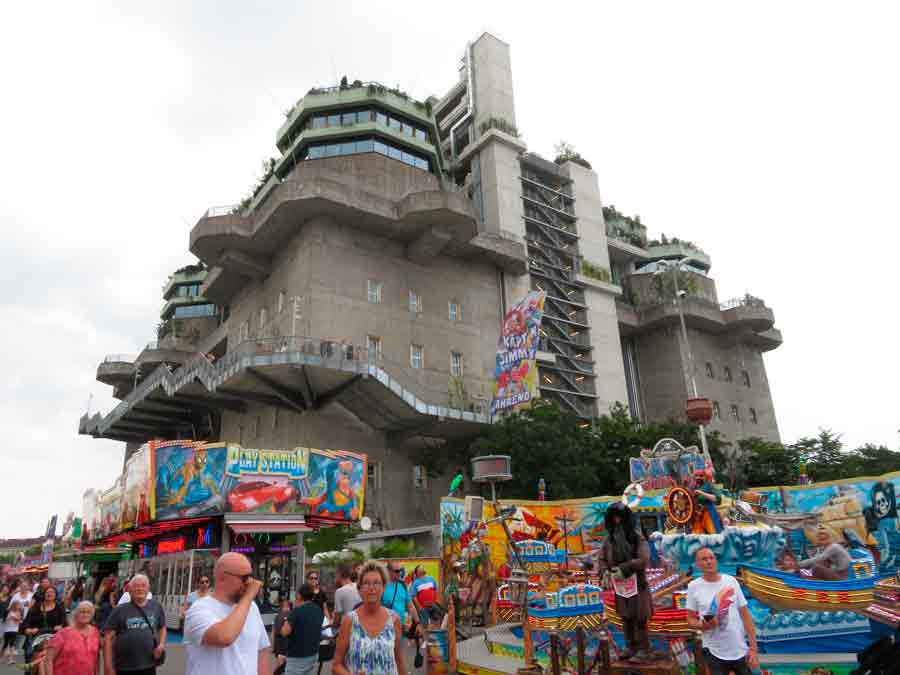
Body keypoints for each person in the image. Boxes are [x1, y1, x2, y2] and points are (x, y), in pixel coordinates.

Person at [183, 551, 271, 675]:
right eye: (245, 578)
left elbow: (262, 651)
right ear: (222, 577)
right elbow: (224, 638)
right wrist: (248, 596)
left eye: (251, 576)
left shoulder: (251, 607)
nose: (250, 583)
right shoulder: (199, 609)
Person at [686, 548, 758, 675]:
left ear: (716, 561)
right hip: (713, 650)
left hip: (739, 648)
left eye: (711, 558)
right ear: (697, 565)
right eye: (704, 559)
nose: (709, 561)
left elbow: (746, 616)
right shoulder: (694, 586)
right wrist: (703, 625)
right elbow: (690, 619)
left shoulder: (731, 581)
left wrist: (753, 649)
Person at [333, 561, 405, 675]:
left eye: (376, 583)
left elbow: (399, 661)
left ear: (384, 587)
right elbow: (336, 665)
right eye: (366, 583)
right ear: (360, 588)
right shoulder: (349, 621)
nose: (371, 588)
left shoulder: (393, 619)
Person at [602, 502, 653, 660]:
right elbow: (602, 558)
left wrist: (624, 569)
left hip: (638, 584)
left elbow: (643, 559)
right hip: (621, 587)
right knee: (625, 617)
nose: (617, 520)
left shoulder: (637, 538)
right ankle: (630, 647)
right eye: (614, 517)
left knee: (640, 617)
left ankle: (643, 649)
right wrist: (604, 571)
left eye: (619, 517)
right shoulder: (609, 540)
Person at [103, 574, 166, 675]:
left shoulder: (156, 606)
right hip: (124, 667)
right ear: (129, 590)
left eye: (143, 585)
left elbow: (162, 627)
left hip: (149, 665)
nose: (140, 588)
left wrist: (161, 644)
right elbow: (108, 638)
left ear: (148, 589)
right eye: (136, 586)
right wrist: (108, 666)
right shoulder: (119, 610)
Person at [45, 601, 101, 675]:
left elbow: (96, 659)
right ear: (75, 614)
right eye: (82, 612)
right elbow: (49, 659)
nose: (85, 615)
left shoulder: (95, 632)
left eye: (88, 612)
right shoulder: (63, 633)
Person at [280, 584, 324, 675]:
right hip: (313, 653)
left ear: (299, 596)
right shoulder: (318, 609)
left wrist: (286, 618)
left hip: (297, 656)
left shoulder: (296, 611)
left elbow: (284, 632)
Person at [23, 585, 66, 662]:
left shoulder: (59, 608)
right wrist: (28, 630)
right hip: (36, 639)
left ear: (55, 595)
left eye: (52, 592)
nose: (49, 594)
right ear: (44, 594)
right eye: (47, 592)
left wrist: (61, 627)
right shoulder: (36, 607)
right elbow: (26, 623)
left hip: (54, 640)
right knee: (33, 661)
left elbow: (65, 624)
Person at [381, 564, 420, 640]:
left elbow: (410, 606)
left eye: (401, 570)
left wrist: (417, 623)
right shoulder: (381, 587)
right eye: (397, 571)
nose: (400, 573)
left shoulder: (403, 586)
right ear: (388, 572)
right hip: (386, 630)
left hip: (401, 629)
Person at [331, 564, 361, 630]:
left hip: (347, 628)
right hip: (360, 626)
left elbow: (337, 618)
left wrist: (332, 624)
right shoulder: (359, 587)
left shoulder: (339, 591)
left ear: (339, 575)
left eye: (335, 575)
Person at [271, 598, 292, 675]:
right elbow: (273, 633)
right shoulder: (292, 617)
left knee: (282, 667)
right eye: (285, 607)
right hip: (283, 646)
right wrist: (273, 646)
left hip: (283, 646)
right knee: (283, 667)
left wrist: (273, 647)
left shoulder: (277, 617)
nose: (286, 609)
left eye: (288, 607)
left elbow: (273, 633)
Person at [3, 600, 23, 664]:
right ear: (14, 606)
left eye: (19, 605)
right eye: (18, 605)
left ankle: (11, 659)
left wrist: (16, 618)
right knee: (5, 644)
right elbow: (5, 620)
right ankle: (1, 657)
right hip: (7, 630)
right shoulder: (9, 612)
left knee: (12, 644)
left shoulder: (19, 613)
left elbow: (19, 621)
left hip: (14, 630)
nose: (19, 607)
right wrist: (10, 618)